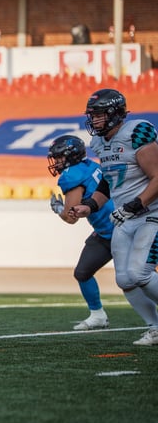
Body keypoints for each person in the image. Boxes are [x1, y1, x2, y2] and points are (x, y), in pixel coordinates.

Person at [71, 88, 158, 346]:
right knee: (124, 279)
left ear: (115, 113)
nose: (94, 120)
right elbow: (108, 184)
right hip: (125, 217)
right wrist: (89, 205)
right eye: (92, 115)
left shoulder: (136, 133)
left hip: (151, 213)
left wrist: (135, 204)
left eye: (98, 115)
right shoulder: (100, 143)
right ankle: (154, 327)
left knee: (140, 273)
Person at [47, 134, 114, 329]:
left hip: (118, 230)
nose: (56, 162)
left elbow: (71, 217)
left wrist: (59, 209)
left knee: (137, 277)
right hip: (106, 231)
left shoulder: (72, 175)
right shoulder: (90, 165)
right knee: (83, 272)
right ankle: (98, 315)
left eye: (59, 157)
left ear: (70, 156)